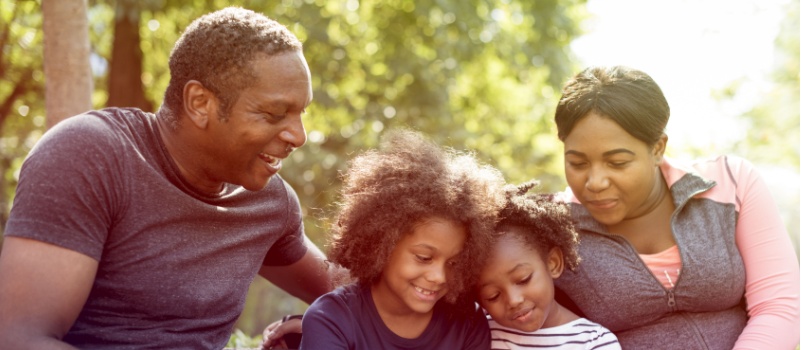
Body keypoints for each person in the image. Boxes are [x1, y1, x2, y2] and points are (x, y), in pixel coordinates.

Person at [0, 7, 342, 349]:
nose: (299, 136)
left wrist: (323, 322)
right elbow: (18, 339)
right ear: (199, 102)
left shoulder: (268, 202)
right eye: (274, 114)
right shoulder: (91, 157)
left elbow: (358, 297)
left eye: (302, 112)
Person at [551, 65, 799, 349]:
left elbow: (779, 308)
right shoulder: (554, 227)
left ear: (657, 148)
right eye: (578, 163)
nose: (594, 182)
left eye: (617, 162)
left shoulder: (731, 184)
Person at [297, 130, 505, 349]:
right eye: (424, 258)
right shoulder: (332, 319)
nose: (439, 277)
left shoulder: (467, 322)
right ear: (382, 244)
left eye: (453, 263)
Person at [477, 181, 620, 350]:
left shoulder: (593, 341)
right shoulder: (481, 332)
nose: (514, 301)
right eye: (493, 296)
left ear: (553, 263)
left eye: (523, 280)